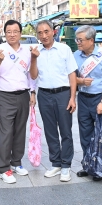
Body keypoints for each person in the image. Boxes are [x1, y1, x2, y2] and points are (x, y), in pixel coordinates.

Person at [0, 19, 37, 184]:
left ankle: (16, 162)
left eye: (15, 31)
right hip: (4, 96)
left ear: (20, 33)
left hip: (23, 94)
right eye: (8, 31)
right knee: (6, 132)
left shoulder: (27, 51)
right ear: (5, 33)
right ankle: (3, 168)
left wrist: (32, 92)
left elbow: (31, 74)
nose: (12, 34)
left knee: (20, 131)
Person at [29, 20, 77, 182]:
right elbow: (34, 76)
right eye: (40, 33)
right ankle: (55, 163)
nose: (43, 35)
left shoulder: (64, 49)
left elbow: (72, 74)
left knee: (65, 131)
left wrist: (72, 97)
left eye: (46, 31)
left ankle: (66, 165)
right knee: (50, 131)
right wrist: (34, 58)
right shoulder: (36, 52)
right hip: (44, 95)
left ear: (53, 32)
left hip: (63, 94)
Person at [73, 26, 102, 181]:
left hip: (99, 98)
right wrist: (80, 81)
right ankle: (88, 165)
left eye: (80, 40)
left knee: (101, 135)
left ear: (91, 40)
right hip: (83, 98)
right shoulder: (75, 56)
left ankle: (100, 169)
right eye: (76, 39)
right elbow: (71, 78)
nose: (77, 42)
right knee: (85, 134)